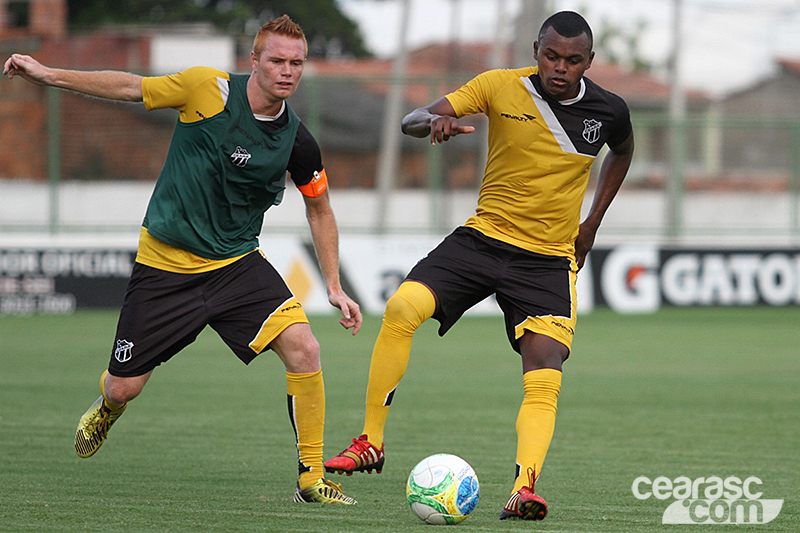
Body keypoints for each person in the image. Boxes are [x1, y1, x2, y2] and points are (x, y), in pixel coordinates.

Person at [4, 15, 361, 505]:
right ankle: (108, 406)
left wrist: (335, 285)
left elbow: (319, 208)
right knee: (125, 388)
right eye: (276, 60)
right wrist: (48, 75)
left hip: (236, 265)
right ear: (253, 61)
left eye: (296, 63)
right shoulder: (205, 89)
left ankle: (310, 480)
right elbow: (131, 86)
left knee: (306, 349)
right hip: (165, 267)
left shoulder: (297, 141)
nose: (287, 71)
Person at [324, 10, 634, 520]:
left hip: (548, 260)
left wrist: (592, 220)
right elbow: (412, 119)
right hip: (482, 239)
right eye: (552, 56)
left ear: (589, 61)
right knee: (403, 306)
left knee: (545, 366)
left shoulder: (609, 110)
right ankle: (370, 441)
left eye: (573, 60)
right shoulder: (497, 86)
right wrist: (434, 122)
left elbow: (622, 152)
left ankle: (524, 486)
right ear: (536, 49)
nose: (560, 68)